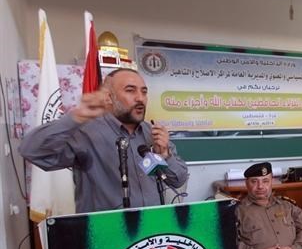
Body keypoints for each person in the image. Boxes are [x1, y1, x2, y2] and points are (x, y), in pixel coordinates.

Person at [19, 68, 188, 213]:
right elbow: (31, 150)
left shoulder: (153, 133)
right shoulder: (87, 132)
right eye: (130, 90)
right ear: (109, 97)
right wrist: (75, 118)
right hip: (106, 233)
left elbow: (178, 180)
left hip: (152, 230)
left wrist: (165, 155)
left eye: (144, 92)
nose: (140, 98)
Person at [236, 162, 302, 249]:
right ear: (246, 183)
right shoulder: (237, 212)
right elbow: (229, 246)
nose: (260, 186)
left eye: (265, 181)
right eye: (254, 181)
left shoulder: (287, 206)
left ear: (272, 181)